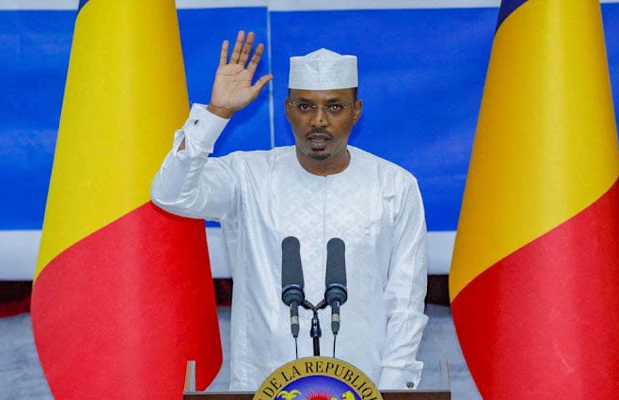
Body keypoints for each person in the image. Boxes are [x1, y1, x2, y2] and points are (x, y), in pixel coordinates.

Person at [151, 31, 428, 391]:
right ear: (288, 110)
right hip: (262, 384)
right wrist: (216, 114)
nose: (318, 120)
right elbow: (170, 195)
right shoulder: (246, 175)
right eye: (305, 106)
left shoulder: (394, 185)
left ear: (355, 111)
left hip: (364, 385)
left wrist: (392, 390)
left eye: (334, 106)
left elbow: (404, 301)